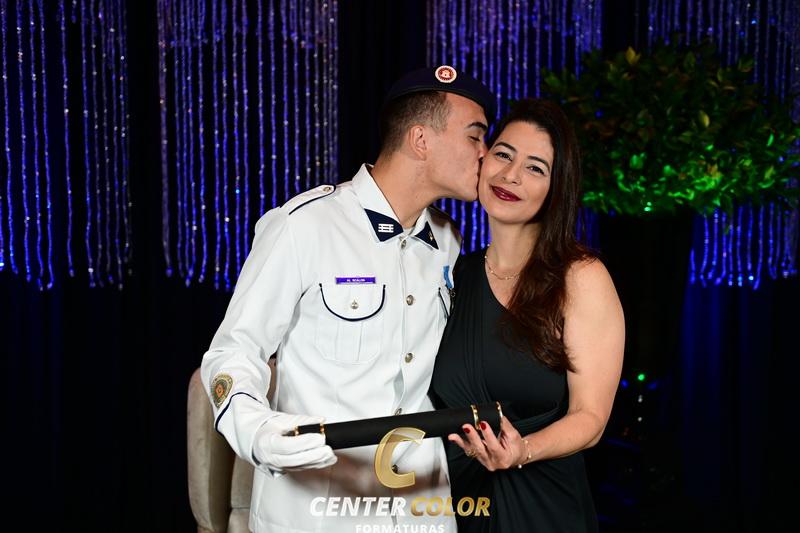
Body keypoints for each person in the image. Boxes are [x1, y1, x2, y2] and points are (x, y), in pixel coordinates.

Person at [200, 65, 494, 533]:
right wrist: (256, 432)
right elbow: (233, 352)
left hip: (421, 511)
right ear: (421, 139)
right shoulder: (303, 226)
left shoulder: (448, 241)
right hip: (317, 510)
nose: (486, 153)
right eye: (475, 136)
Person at [430, 98, 625, 532]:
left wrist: (523, 450)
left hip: (542, 508)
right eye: (503, 154)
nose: (511, 175)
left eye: (535, 168)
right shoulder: (452, 273)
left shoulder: (581, 277)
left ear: (556, 188)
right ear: (482, 159)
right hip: (454, 508)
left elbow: (591, 419)